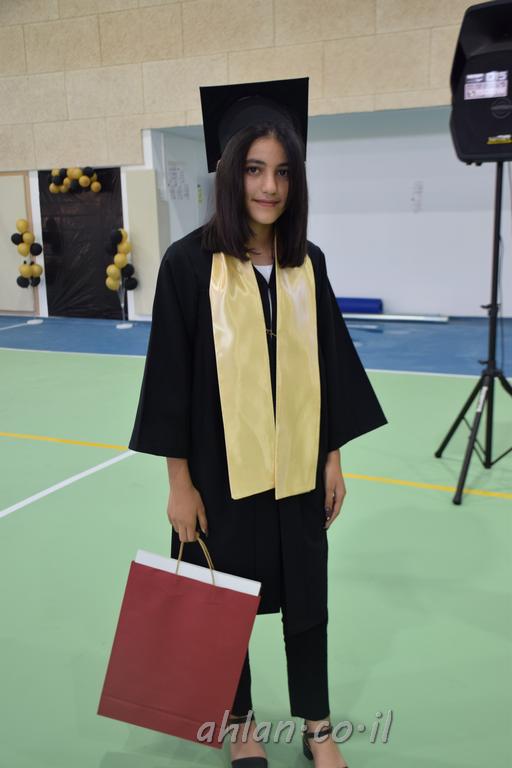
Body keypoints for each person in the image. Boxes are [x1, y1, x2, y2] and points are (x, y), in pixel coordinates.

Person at [128, 78, 387, 768]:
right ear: (228, 171)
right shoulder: (189, 266)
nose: (269, 187)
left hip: (298, 470)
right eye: (254, 169)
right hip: (220, 474)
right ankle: (239, 722)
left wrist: (332, 459)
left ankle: (317, 725)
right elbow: (169, 383)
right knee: (224, 598)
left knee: (308, 597)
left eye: (282, 172)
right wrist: (179, 485)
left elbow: (329, 367)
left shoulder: (307, 264)